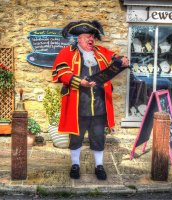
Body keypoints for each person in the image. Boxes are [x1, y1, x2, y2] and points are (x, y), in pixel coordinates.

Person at [52, 20, 129, 180]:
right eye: (87, 36)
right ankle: (75, 165)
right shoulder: (66, 53)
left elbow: (115, 57)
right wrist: (80, 82)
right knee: (76, 138)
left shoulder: (101, 52)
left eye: (93, 36)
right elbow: (62, 73)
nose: (91, 39)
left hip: (99, 106)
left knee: (99, 137)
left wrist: (123, 60)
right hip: (78, 106)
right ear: (79, 38)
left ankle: (99, 166)